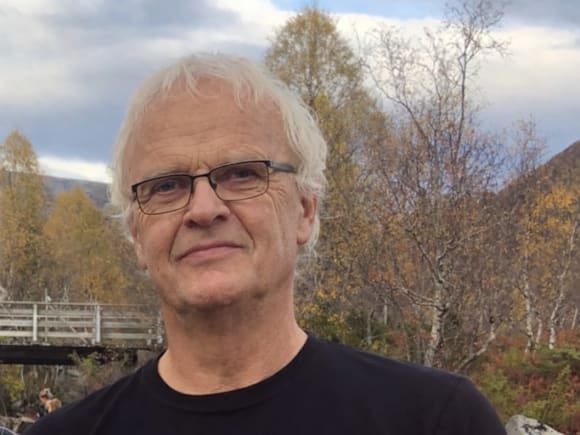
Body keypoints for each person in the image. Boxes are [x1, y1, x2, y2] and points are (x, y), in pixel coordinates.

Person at [25, 53, 507, 435]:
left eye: (242, 174)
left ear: (305, 210)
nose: (203, 209)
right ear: (135, 234)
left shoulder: (435, 420)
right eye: (167, 186)